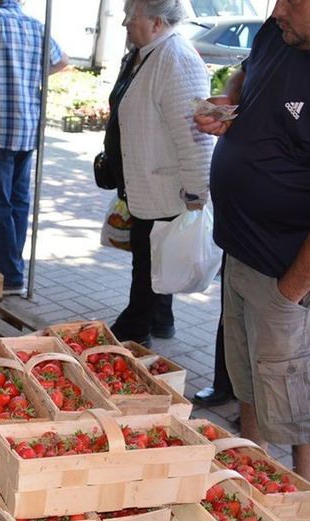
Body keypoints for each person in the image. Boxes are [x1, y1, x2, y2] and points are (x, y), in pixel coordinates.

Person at [195, 0, 310, 490]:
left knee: (303, 412)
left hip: (296, 282)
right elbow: (247, 75)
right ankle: (252, 489)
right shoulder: (283, 30)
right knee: (251, 386)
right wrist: (228, 104)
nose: (276, 9)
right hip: (242, 254)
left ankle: (306, 507)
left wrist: (287, 296)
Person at [102, 0, 214, 346]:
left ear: (157, 22)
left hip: (164, 188)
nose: (124, 22)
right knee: (155, 257)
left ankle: (134, 331)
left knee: (148, 264)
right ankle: (162, 320)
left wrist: (197, 194)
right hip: (144, 183)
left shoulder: (176, 58)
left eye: (131, 15)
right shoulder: (143, 53)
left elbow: (195, 136)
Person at [0, 0, 68, 295]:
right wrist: (27, 74)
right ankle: (13, 270)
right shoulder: (35, 25)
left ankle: (10, 275)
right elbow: (62, 60)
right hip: (27, 127)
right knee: (18, 201)